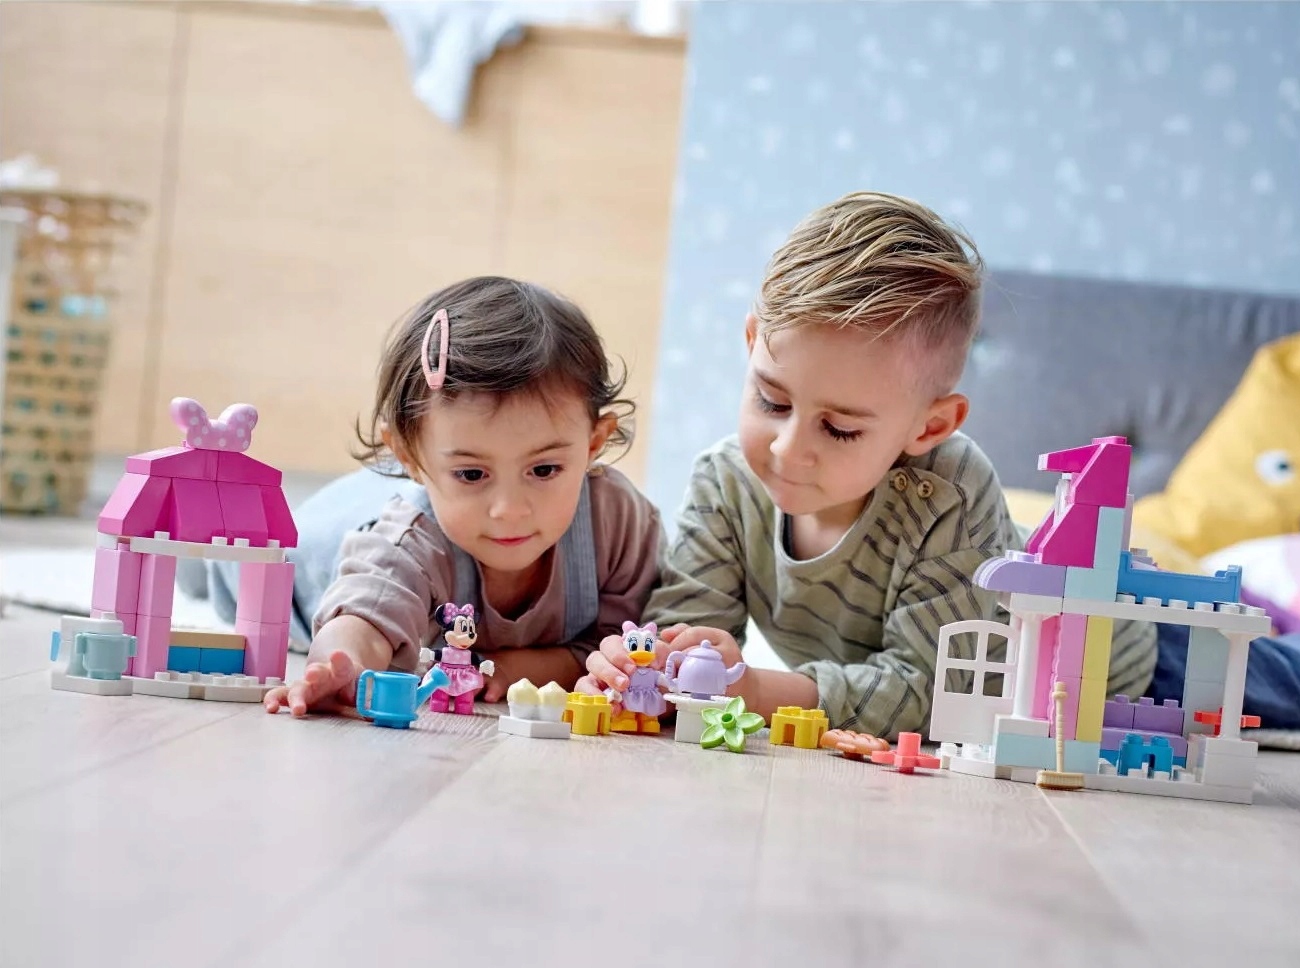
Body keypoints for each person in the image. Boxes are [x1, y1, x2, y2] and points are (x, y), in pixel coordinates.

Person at [580, 191, 1157, 739]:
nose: (786, 449)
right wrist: (647, 667)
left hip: (1130, 673)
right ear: (753, 342)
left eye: (840, 429)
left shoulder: (950, 492)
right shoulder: (725, 483)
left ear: (929, 427)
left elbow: (927, 693)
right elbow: (684, 630)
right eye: (772, 401)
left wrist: (753, 689)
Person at [263, 276, 663, 717]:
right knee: (261, 554)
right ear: (407, 455)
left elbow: (612, 646)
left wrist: (515, 668)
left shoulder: (618, 524)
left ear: (593, 443)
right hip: (310, 557)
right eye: (472, 473)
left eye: (544, 469)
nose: (509, 509)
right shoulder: (410, 541)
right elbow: (365, 616)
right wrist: (340, 667)